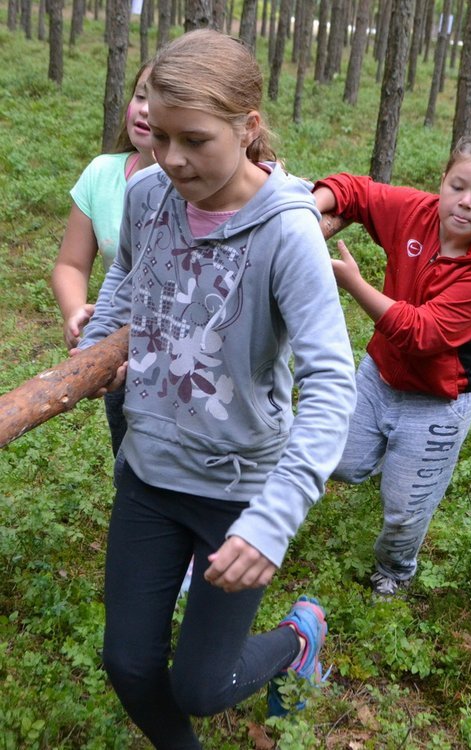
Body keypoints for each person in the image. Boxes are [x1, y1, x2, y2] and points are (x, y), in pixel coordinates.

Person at [77, 29, 356, 748]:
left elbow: (331, 384)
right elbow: (126, 273)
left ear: (247, 127)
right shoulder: (147, 194)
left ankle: (298, 636)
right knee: (128, 664)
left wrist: (272, 518)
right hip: (148, 471)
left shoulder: (286, 233)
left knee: (201, 688)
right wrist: (94, 348)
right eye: (160, 137)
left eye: (194, 140)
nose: (172, 159)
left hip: (238, 491)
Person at [313, 134, 471, 598]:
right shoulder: (417, 213)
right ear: (442, 181)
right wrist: (311, 207)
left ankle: (395, 569)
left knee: (405, 510)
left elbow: (421, 333)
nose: (465, 202)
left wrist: (353, 283)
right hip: (381, 373)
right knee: (336, 460)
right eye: (457, 187)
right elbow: (357, 191)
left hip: (440, 397)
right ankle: (391, 452)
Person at [51, 61, 155, 456]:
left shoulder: (202, 187)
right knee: (129, 457)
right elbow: (71, 265)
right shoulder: (102, 174)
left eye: (159, 101)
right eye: (140, 96)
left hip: (187, 355)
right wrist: (77, 314)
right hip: (121, 349)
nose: (145, 110)